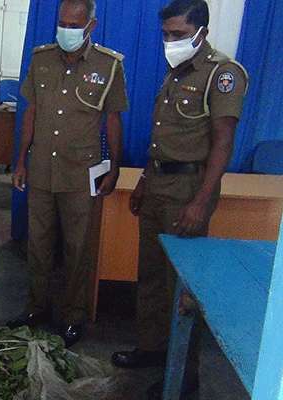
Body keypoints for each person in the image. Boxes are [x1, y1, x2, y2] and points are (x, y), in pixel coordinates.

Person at [110, 0, 249, 398]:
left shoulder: (222, 74)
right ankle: (153, 349)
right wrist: (143, 181)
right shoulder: (177, 71)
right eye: (166, 34)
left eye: (178, 34)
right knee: (151, 275)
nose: (169, 42)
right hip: (158, 185)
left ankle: (185, 377)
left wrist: (201, 202)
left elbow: (223, 143)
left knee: (182, 288)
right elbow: (164, 137)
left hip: (188, 191)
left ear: (202, 31)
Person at [9, 0, 129, 347]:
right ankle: (36, 307)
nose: (66, 31)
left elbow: (113, 120)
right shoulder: (41, 59)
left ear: (91, 26)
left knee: (78, 249)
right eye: (62, 23)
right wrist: (21, 160)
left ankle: (73, 315)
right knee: (38, 244)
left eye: (74, 26)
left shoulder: (109, 65)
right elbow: (31, 112)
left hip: (81, 174)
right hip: (41, 169)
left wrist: (115, 167)